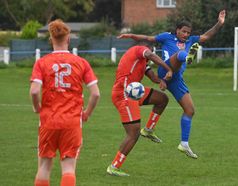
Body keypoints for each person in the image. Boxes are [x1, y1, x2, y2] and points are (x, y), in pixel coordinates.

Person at [117, 10, 226, 159]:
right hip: (165, 69)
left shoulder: (191, 41)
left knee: (190, 110)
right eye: (183, 31)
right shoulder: (167, 37)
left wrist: (219, 23)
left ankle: (182, 143)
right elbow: (148, 38)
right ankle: (188, 58)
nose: (186, 34)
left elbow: (207, 36)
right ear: (177, 30)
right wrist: (131, 35)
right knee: (180, 55)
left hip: (176, 78)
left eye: (188, 32)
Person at [30, 19, 100, 186]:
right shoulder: (81, 63)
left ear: (50, 39)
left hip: (48, 120)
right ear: (68, 39)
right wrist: (87, 113)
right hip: (72, 121)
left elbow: (34, 90)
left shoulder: (42, 62)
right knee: (68, 168)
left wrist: (36, 106)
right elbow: (96, 94)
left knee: (45, 166)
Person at [107, 41, 173, 176]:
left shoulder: (142, 62)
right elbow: (150, 54)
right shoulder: (139, 50)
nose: (149, 59)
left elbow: (153, 76)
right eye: (148, 56)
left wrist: (162, 80)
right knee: (133, 133)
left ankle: (148, 130)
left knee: (162, 99)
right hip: (124, 94)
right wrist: (168, 68)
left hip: (134, 92)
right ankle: (114, 166)